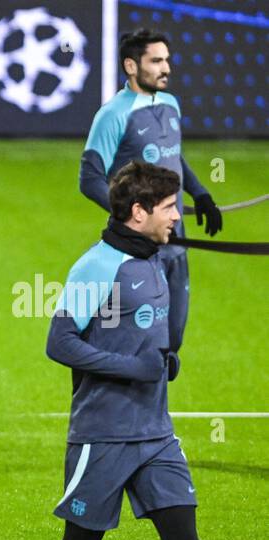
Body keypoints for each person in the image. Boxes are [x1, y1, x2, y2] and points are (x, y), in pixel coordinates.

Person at [12, 161, 199, 540]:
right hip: (104, 433)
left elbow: (150, 337)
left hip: (155, 433)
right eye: (169, 207)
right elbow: (60, 342)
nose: (177, 216)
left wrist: (165, 360)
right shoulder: (97, 266)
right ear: (138, 212)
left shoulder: (159, 259)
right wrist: (130, 367)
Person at [80, 28, 222, 362]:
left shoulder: (171, 104)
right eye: (156, 61)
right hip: (137, 250)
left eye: (167, 60)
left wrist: (201, 194)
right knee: (140, 344)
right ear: (131, 66)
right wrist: (132, 215)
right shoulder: (113, 115)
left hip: (175, 243)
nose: (166, 68)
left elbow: (172, 154)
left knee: (172, 343)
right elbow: (89, 178)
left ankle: (153, 412)